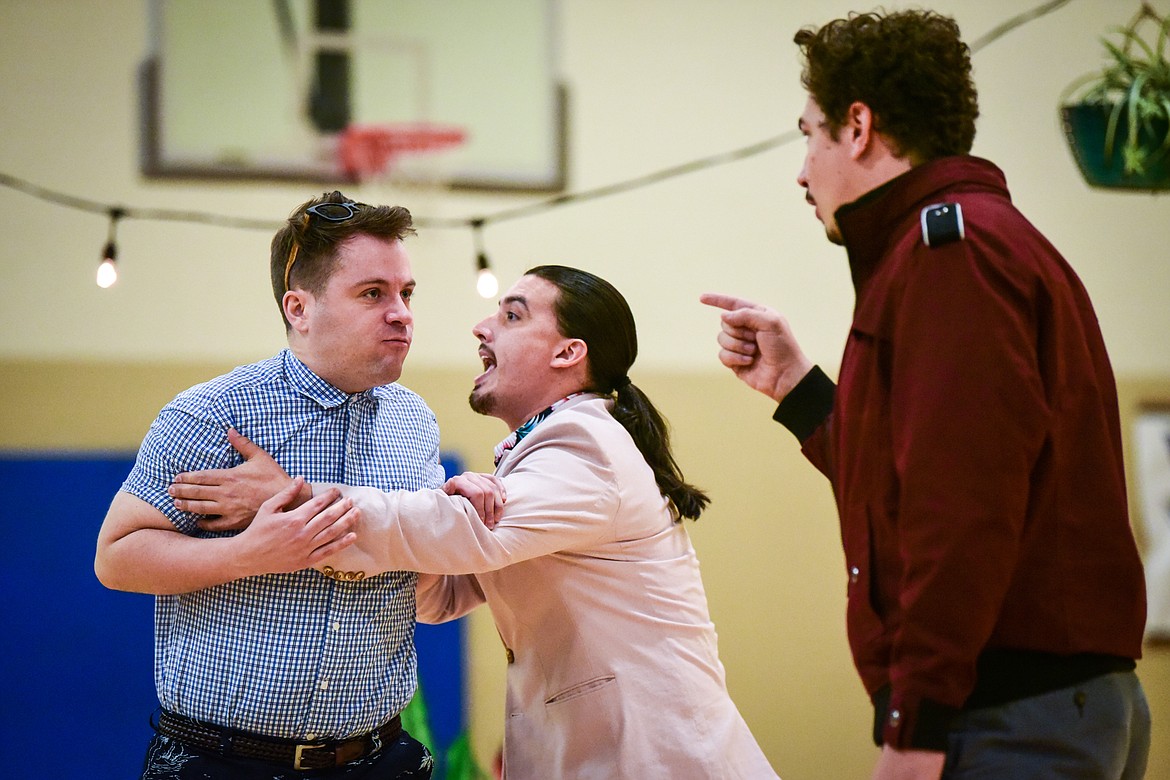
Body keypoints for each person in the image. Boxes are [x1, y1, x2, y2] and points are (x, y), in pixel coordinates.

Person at [701, 9, 1150, 780]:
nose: (802, 169)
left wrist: (915, 728)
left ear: (859, 125)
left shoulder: (952, 255)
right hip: (1041, 706)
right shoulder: (970, 242)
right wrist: (801, 392)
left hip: (1012, 714)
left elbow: (961, 508)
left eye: (809, 134)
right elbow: (916, 483)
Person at [170, 265, 781, 779]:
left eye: (512, 317)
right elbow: (447, 587)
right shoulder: (537, 453)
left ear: (569, 353)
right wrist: (441, 501)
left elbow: (465, 538)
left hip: (654, 757)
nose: (482, 327)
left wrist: (290, 499)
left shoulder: (586, 443)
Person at [94, 191, 447, 779]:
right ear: (299, 308)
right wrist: (247, 554)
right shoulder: (212, 413)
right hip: (223, 761)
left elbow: (422, 566)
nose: (401, 313)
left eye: (406, 294)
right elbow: (116, 556)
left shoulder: (415, 422)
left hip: (378, 756)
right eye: (372, 294)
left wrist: (453, 513)